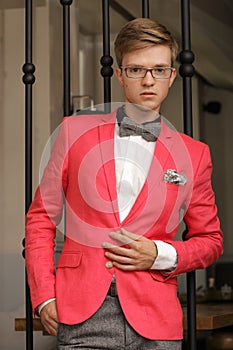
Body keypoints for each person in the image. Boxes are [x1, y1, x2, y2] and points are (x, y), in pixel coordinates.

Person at [25, 18, 223, 349]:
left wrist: (160, 253)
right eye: (136, 70)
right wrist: (44, 295)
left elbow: (211, 240)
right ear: (120, 75)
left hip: (156, 319)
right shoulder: (73, 133)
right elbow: (40, 218)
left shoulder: (195, 154)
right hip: (83, 313)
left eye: (159, 69)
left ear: (172, 76)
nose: (149, 80)